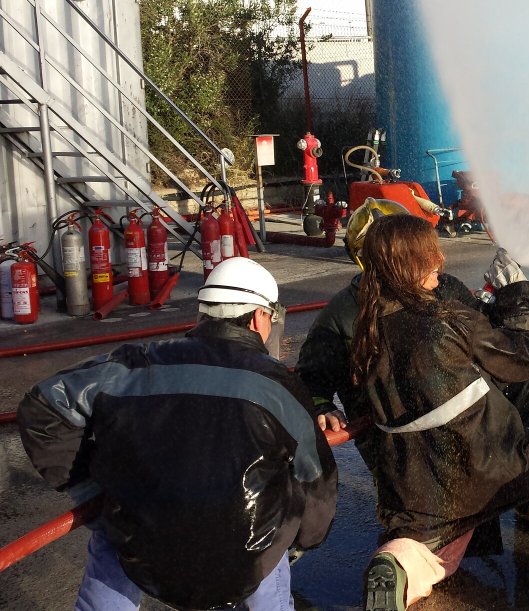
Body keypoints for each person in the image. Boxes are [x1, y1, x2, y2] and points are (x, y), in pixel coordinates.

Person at [17, 257, 338, 611]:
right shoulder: (280, 385)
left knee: (111, 533)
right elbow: (314, 478)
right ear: (259, 317)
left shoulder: (134, 365)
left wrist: (90, 488)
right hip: (245, 559)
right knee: (275, 519)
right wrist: (306, 538)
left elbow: (43, 408)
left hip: (142, 548)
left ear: (203, 313)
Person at [349, 213, 529, 610]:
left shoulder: (366, 332)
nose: (440, 261)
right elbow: (528, 357)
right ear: (410, 263)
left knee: (439, 559)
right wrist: (517, 294)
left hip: (415, 492)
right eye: (430, 254)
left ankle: (397, 565)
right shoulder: (448, 320)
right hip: (485, 468)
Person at [297, 197, 529, 543]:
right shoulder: (343, 316)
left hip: (462, 414)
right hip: (401, 436)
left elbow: (492, 344)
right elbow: (310, 374)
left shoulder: (444, 287)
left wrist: (503, 303)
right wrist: (320, 405)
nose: (435, 261)